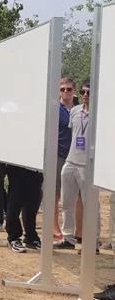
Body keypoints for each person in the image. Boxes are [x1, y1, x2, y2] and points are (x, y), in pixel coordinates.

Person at [54, 82, 100, 252]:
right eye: (83, 92)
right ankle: (68, 237)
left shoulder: (99, 113)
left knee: (91, 205)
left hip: (88, 166)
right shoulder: (74, 111)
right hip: (70, 161)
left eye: (89, 92)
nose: (85, 95)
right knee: (67, 202)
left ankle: (93, 241)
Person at [54, 77, 76, 240]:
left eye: (69, 89)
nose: (65, 92)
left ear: (74, 91)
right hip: (58, 155)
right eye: (62, 89)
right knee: (54, 194)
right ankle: (54, 227)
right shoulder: (55, 109)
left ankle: (74, 229)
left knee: (73, 196)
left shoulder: (79, 110)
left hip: (75, 157)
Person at [5, 165, 43, 253]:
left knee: (33, 203)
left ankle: (31, 237)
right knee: (15, 201)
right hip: (18, 167)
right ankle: (13, 237)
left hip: (36, 168)